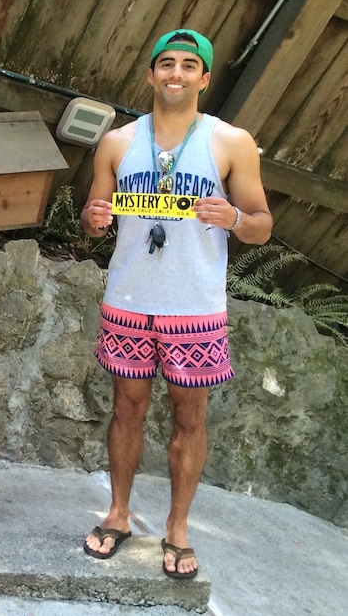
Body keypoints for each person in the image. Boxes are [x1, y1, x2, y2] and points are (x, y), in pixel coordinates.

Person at [80, 30, 272, 579]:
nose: (176, 74)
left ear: (204, 78)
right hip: (129, 300)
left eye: (190, 66)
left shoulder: (232, 143)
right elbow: (96, 219)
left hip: (195, 307)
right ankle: (117, 514)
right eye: (167, 64)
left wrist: (234, 218)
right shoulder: (117, 143)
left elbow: (261, 225)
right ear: (150, 74)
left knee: (190, 418)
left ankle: (177, 529)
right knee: (127, 410)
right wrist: (94, 221)